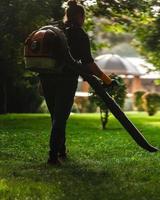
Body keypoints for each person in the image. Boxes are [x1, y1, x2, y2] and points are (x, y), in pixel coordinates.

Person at [40, 0, 114, 165]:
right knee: (60, 117)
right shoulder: (79, 34)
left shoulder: (54, 28)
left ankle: (61, 149)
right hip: (66, 80)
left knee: (56, 116)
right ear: (79, 16)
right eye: (84, 17)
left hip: (46, 78)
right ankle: (53, 155)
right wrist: (106, 79)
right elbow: (88, 62)